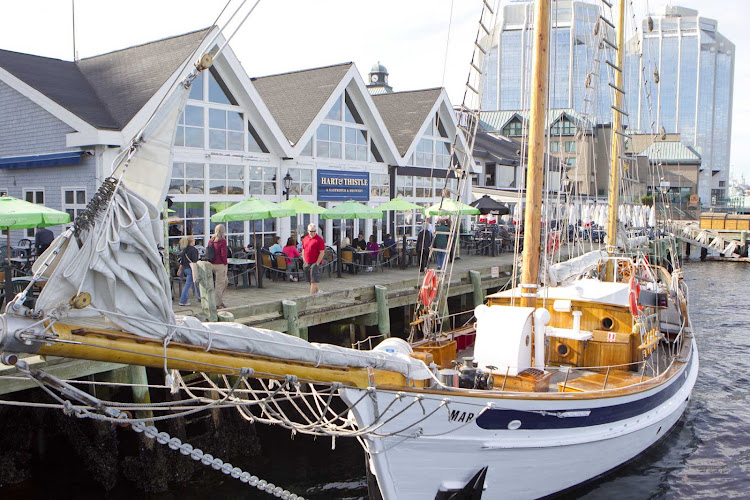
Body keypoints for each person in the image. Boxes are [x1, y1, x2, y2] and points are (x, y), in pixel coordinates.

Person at [302, 223, 326, 295]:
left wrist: (317, 263)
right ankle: (318, 291)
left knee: (314, 280)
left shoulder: (319, 240)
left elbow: (322, 252)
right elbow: (303, 250)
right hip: (307, 262)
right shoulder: (305, 239)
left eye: (314, 231)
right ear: (307, 231)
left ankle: (311, 296)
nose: (312, 233)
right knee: (309, 279)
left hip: (315, 262)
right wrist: (304, 260)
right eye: (311, 231)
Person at [208, 224, 228, 309]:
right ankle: (218, 303)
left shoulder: (211, 240)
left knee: (225, 281)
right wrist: (225, 263)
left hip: (212, 263)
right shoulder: (222, 241)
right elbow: (223, 254)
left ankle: (219, 300)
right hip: (220, 264)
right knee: (220, 284)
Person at [178, 235, 200, 306]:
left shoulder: (185, 250)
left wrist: (179, 270)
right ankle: (182, 300)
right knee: (189, 285)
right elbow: (195, 261)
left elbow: (182, 261)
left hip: (185, 269)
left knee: (194, 283)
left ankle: (200, 297)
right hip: (191, 269)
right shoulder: (194, 250)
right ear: (192, 241)